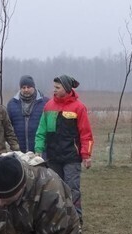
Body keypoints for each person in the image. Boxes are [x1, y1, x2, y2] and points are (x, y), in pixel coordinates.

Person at [35, 74, 94, 221]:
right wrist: (38, 149)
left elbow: (85, 133)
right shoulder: (48, 107)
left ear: (66, 89)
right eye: (54, 87)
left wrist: (86, 155)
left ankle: (75, 220)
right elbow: (41, 131)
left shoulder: (79, 108)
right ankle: (57, 220)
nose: (53, 90)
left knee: (72, 189)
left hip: (72, 158)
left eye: (57, 87)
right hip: (53, 157)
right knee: (55, 189)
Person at [6, 75, 47, 154]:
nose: (26, 90)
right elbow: (8, 128)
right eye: (23, 87)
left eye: (29, 87)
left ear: (34, 87)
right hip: (19, 151)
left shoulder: (45, 103)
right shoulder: (12, 104)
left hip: (40, 151)